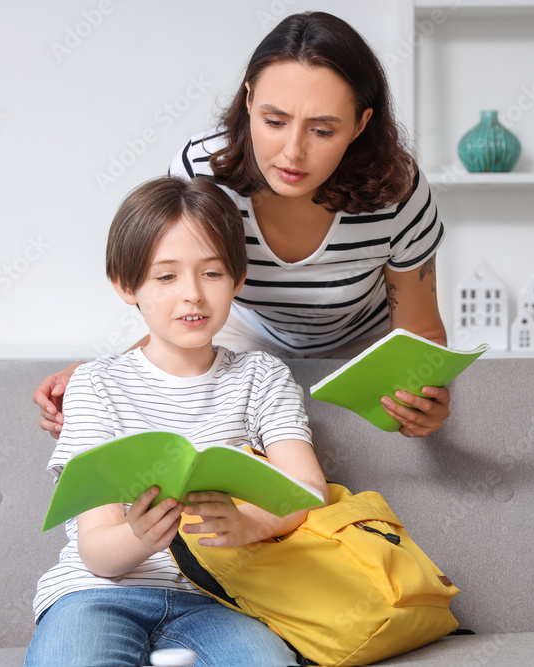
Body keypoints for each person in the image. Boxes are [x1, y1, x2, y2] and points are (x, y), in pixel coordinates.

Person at [35, 11, 450, 439]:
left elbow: (419, 330)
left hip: (363, 347)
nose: (292, 152)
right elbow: (179, 302)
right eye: (274, 121)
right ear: (249, 100)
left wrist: (425, 398)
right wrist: (97, 380)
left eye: (322, 130)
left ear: (361, 124)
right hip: (239, 335)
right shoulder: (201, 170)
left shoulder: (395, 190)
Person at [25, 176, 328, 667]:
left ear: (238, 277)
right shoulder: (96, 385)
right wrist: (139, 536)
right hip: (98, 594)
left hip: (222, 598)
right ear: (127, 285)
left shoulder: (261, 376)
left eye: (211, 273)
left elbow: (308, 488)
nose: (192, 295)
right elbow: (97, 552)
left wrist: (251, 522)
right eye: (166, 277)